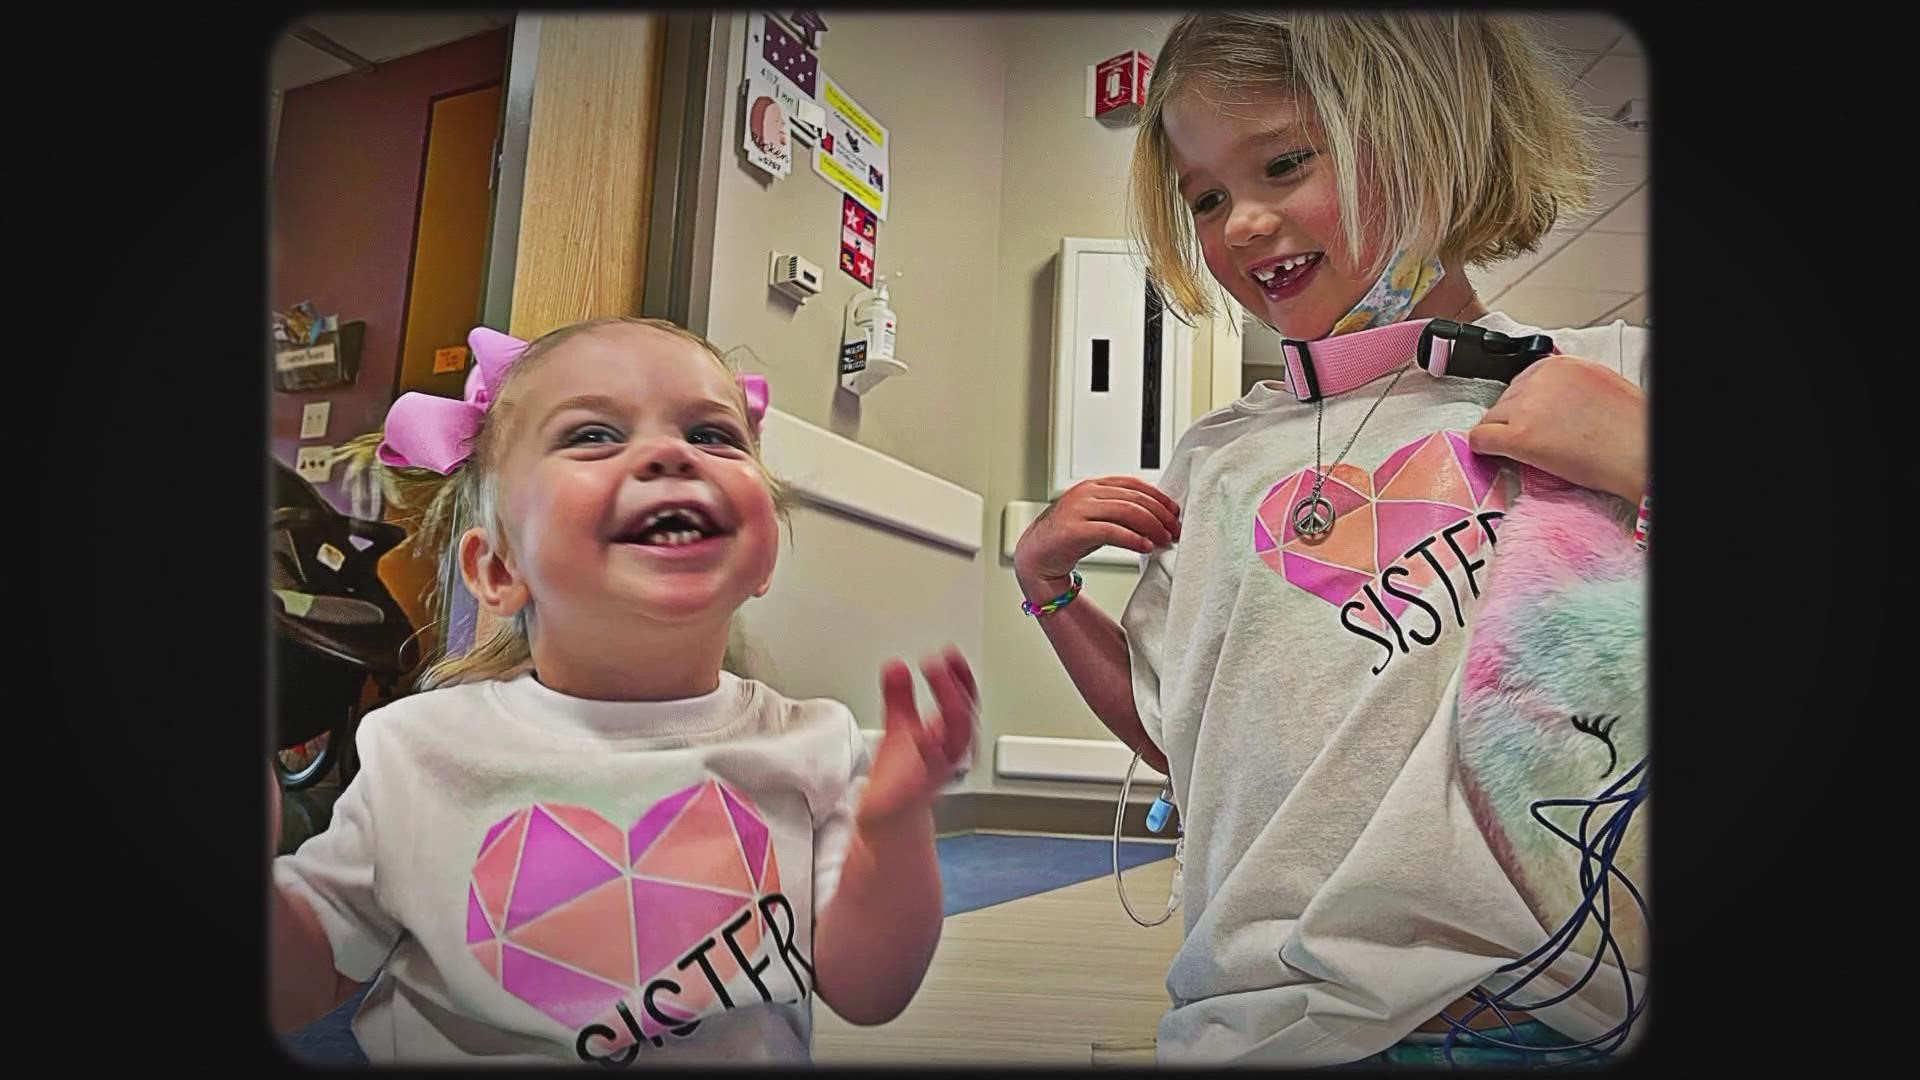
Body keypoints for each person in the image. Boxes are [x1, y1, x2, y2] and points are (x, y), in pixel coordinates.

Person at [1013, 12, 1648, 1067]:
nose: (1242, 225)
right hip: (1261, 1021)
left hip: (1555, 1014)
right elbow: (1188, 739)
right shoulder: (1217, 461)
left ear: (1430, 133)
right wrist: (1047, 589)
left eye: (1286, 163)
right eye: (1206, 197)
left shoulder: (1611, 371)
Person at [269, 317, 977, 1065]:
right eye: (594, 436)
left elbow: (871, 991)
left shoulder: (813, 746)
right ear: (497, 571)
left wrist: (893, 834)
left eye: (713, 436)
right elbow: (302, 979)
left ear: (764, 556)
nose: (671, 453)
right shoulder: (417, 751)